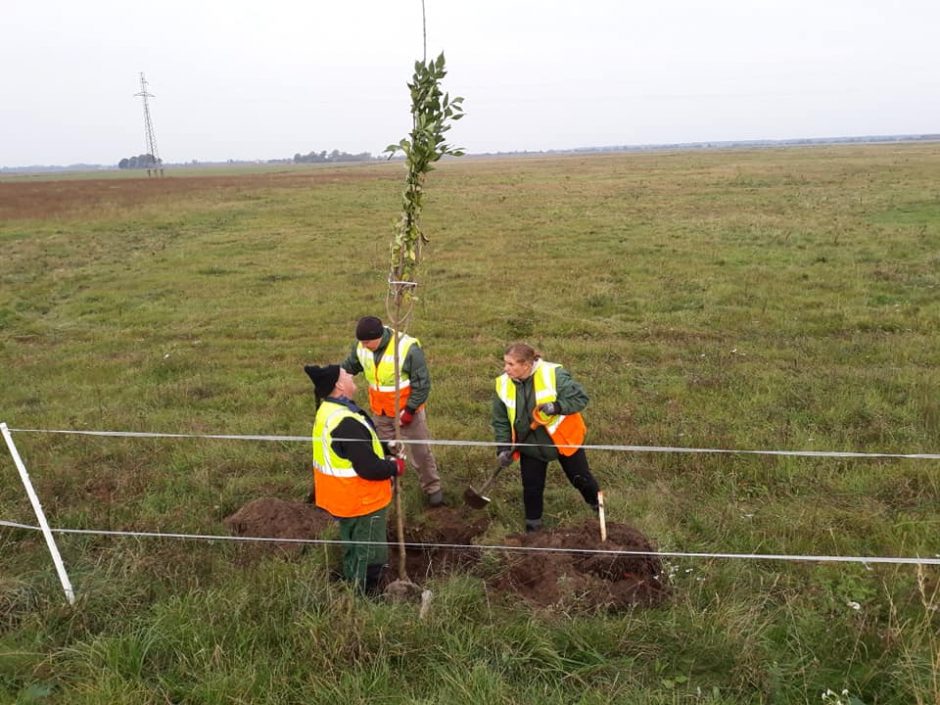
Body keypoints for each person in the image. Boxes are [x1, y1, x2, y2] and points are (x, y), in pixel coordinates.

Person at [304, 363, 406, 595]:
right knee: (369, 552)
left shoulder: (329, 411)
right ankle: (366, 596)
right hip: (362, 501)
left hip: (341, 498)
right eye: (345, 374)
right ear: (339, 385)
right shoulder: (345, 421)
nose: (351, 375)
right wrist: (394, 467)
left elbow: (354, 449)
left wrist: (386, 447)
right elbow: (368, 467)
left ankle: (352, 583)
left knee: (353, 546)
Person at [492, 343, 600, 532]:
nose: (505, 368)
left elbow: (580, 398)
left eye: (510, 364)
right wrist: (503, 448)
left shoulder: (554, 375)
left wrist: (557, 406)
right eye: (505, 363)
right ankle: (533, 527)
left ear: (526, 365)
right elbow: (500, 420)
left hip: (563, 440)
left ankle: (598, 508)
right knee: (531, 486)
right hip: (530, 445)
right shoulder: (502, 384)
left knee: (580, 478)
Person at [340, 315, 444, 507]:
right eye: (361, 342)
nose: (363, 346)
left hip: (407, 412)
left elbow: (422, 384)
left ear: (379, 336)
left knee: (420, 452)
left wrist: (410, 411)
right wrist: (332, 377)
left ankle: (432, 488)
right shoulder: (361, 348)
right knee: (385, 452)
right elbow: (348, 367)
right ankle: (390, 488)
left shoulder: (407, 348)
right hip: (380, 411)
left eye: (367, 342)